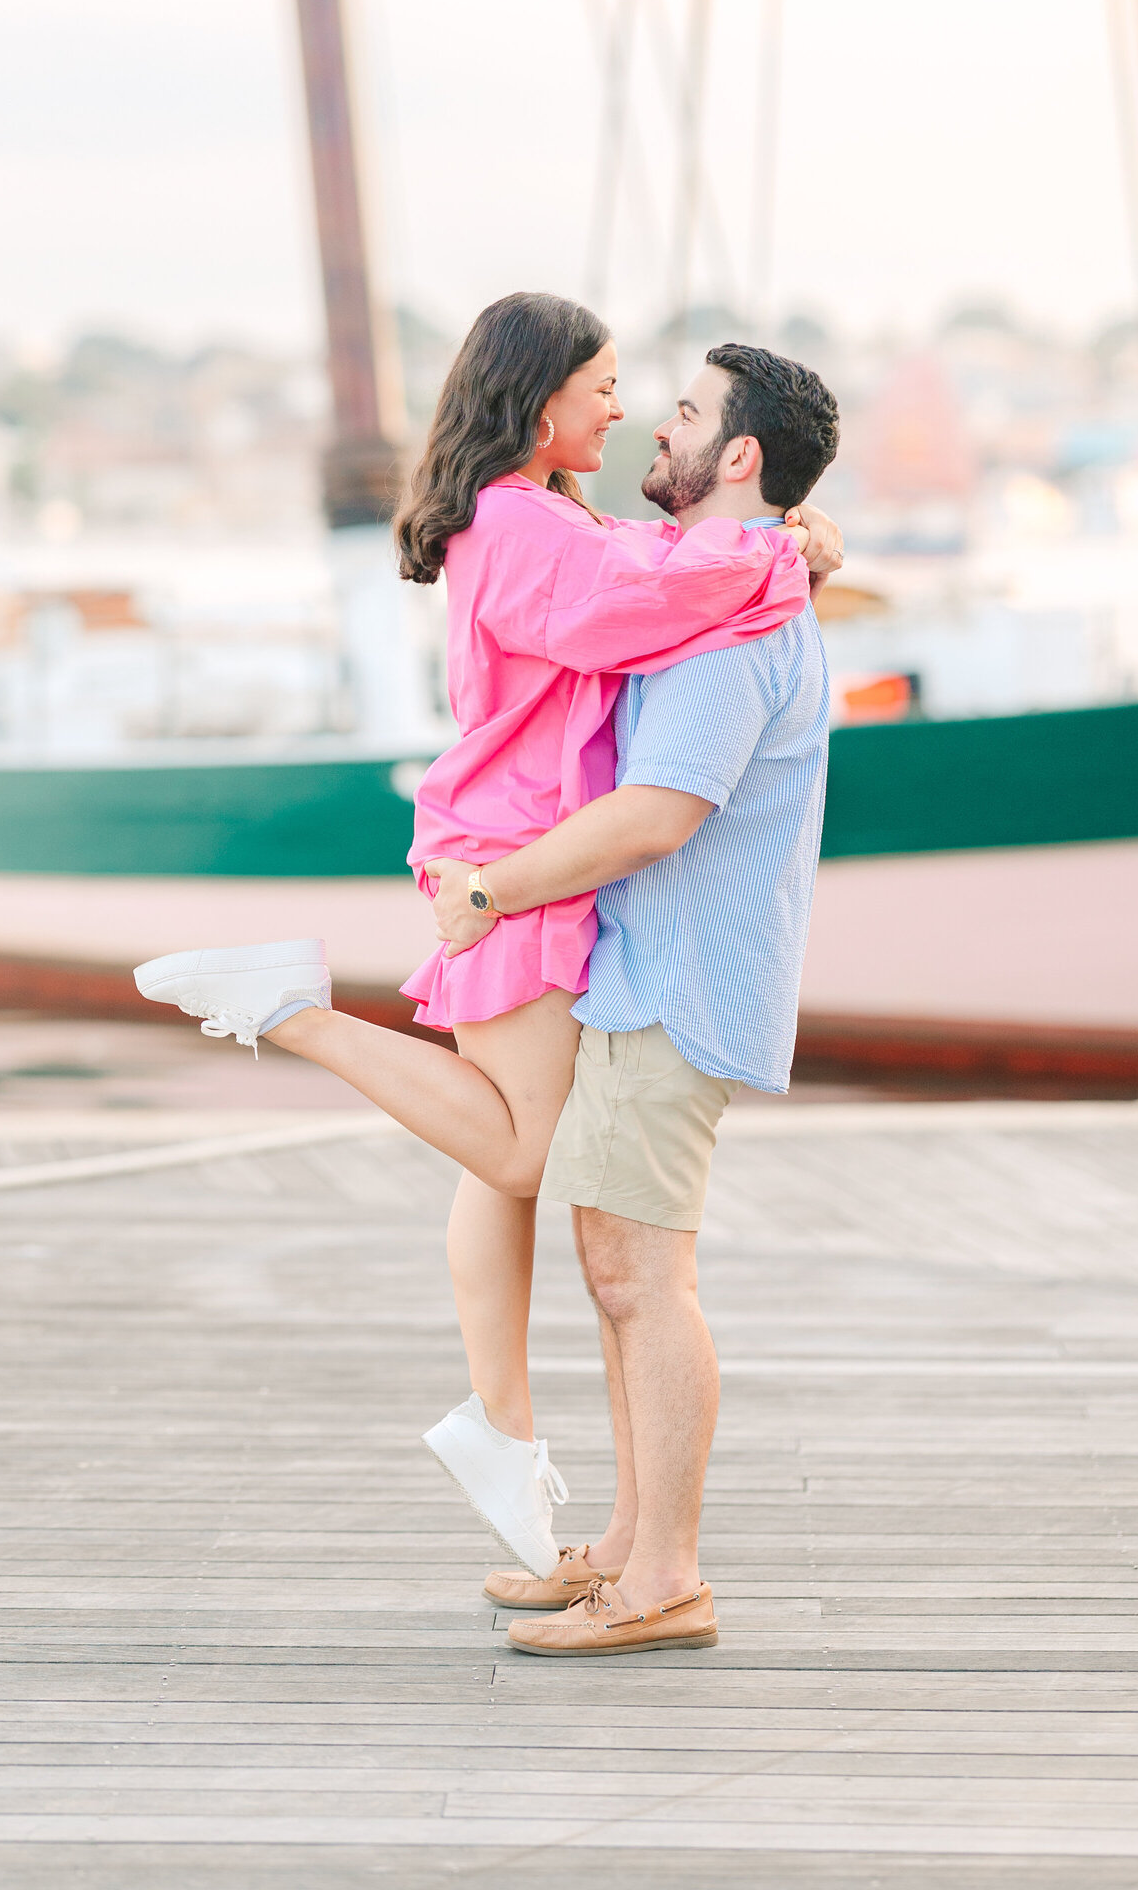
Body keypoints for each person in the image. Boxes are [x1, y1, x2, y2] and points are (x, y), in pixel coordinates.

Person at [134, 295, 842, 1582]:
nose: (626, 409)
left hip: (527, 859)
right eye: (608, 385)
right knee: (517, 1150)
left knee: (502, 1152)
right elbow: (614, 616)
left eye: (658, 396)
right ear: (538, 401)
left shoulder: (553, 512)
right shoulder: (519, 524)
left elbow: (642, 572)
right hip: (515, 855)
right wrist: (780, 555)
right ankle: (298, 1017)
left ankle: (513, 1435)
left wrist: (785, 539)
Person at [427, 339, 836, 1656]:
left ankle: (665, 1577)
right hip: (635, 976)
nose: (653, 427)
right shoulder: (717, 593)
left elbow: (656, 817)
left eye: (685, 414)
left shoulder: (739, 633)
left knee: (645, 1277)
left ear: (743, 456)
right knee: (616, 1269)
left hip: (677, 986)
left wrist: (491, 893)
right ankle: (622, 1545)